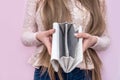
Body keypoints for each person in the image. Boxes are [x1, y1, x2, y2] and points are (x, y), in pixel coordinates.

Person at [21, 0, 110, 80]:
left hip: (83, 71)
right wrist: (39, 37)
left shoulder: (98, 1)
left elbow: (106, 40)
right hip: (47, 70)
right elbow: (25, 36)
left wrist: (94, 40)